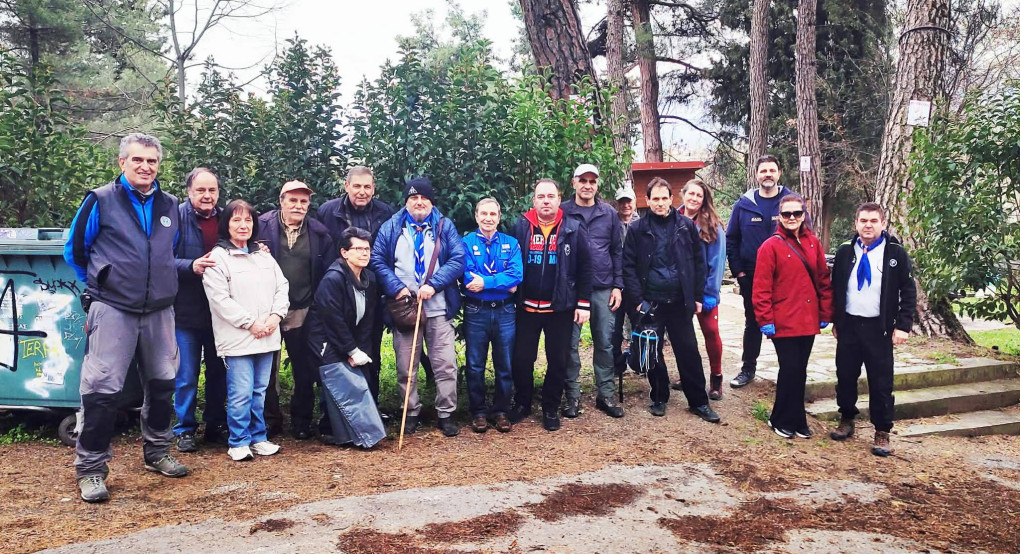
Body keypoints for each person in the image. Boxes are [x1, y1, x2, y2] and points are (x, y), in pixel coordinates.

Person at [65, 133, 188, 502]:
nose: (145, 167)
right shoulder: (100, 200)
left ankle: (157, 452)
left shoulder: (170, 205)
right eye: (138, 160)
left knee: (164, 384)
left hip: (160, 310)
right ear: (122, 163)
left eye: (152, 161)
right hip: (113, 309)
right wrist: (102, 285)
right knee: (101, 391)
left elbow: (170, 252)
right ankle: (90, 469)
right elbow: (75, 250)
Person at [371, 177, 465, 437]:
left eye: (424, 198)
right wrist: (396, 288)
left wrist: (434, 284)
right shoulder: (392, 227)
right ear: (406, 202)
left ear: (432, 202)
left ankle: (446, 413)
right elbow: (377, 259)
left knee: (445, 364)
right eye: (413, 198)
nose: (419, 202)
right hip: (404, 309)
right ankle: (409, 412)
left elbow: (458, 259)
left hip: (438, 306)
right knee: (405, 365)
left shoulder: (444, 226)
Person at [622, 177, 720, 423]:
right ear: (647, 200)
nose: (660, 203)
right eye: (655, 199)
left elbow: (698, 264)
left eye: (664, 198)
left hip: (679, 302)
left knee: (688, 352)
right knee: (652, 351)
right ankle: (659, 396)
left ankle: (698, 401)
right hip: (650, 302)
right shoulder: (637, 229)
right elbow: (628, 267)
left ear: (671, 199)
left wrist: (697, 296)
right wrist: (636, 300)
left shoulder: (686, 226)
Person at [203, 200, 290, 461]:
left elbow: (281, 286)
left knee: (259, 391)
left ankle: (258, 437)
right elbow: (220, 301)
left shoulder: (264, 255)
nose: (243, 225)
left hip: (267, 336)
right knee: (240, 392)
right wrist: (251, 324)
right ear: (226, 224)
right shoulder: (217, 258)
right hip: (239, 338)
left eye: (248, 220)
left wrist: (275, 316)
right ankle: (238, 440)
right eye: (236, 220)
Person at [830, 202, 916, 457]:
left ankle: (882, 430)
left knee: (881, 382)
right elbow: (836, 289)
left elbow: (908, 291)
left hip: (879, 329)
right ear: (856, 224)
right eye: (863, 221)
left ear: (882, 223)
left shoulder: (895, 253)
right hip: (849, 326)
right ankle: (847, 419)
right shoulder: (846, 251)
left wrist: (903, 326)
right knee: (845, 376)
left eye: (873, 221)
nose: (868, 225)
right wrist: (836, 320)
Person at [510, 179, 592, 432]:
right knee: (522, 359)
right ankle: (523, 402)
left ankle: (550, 406)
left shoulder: (573, 228)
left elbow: (586, 268)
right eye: (541, 196)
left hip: (560, 308)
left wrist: (584, 303)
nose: (546, 201)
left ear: (559, 199)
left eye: (551, 196)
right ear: (533, 200)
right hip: (526, 308)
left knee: (558, 360)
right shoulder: (521, 226)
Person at [256, 181, 334, 440]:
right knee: (268, 370)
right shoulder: (261, 226)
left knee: (304, 369)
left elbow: (326, 274)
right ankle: (270, 420)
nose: (298, 206)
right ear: (282, 201)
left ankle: (302, 420)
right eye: (293, 200)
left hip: (302, 309)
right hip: (267, 311)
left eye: (303, 202)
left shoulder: (320, 234)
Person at [752, 195, 833, 439]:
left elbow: (822, 279)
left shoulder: (813, 243)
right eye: (786, 214)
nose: (792, 218)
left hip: (807, 319)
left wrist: (825, 311)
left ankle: (797, 417)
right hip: (783, 320)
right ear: (780, 216)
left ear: (803, 214)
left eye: (796, 214)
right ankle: (780, 418)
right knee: (789, 368)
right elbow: (761, 287)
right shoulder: (770, 246)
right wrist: (765, 319)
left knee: (800, 370)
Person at [315, 166, 394, 403]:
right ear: (346, 186)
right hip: (338, 291)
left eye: (367, 187)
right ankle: (333, 414)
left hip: (372, 291)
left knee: (371, 351)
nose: (362, 191)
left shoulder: (385, 212)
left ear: (374, 188)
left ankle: (370, 408)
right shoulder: (327, 211)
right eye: (357, 186)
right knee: (337, 351)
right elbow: (321, 251)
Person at [726, 155, 804, 389]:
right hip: (751, 276)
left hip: (785, 277)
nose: (767, 174)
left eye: (772, 170)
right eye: (763, 171)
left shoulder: (792, 203)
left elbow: (805, 235)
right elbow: (732, 239)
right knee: (754, 322)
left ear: (779, 173)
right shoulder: (744, 204)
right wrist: (739, 272)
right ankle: (748, 368)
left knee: (786, 323)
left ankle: (789, 372)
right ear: (757, 174)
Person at [561, 164, 625, 418]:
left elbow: (617, 251)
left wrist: (618, 285)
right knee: (570, 344)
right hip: (571, 288)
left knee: (605, 342)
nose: (588, 185)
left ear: (597, 185)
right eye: (583, 180)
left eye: (592, 181)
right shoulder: (563, 211)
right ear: (574, 182)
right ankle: (572, 397)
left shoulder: (608, 213)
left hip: (603, 286)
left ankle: (605, 395)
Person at [305, 227, 380, 444]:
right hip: (326, 339)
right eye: (358, 249)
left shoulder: (370, 278)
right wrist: (351, 350)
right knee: (338, 379)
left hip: (351, 339)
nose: (364, 253)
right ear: (344, 252)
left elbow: (367, 320)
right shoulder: (333, 278)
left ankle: (361, 431)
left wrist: (360, 351)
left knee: (361, 376)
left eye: (367, 249)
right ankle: (330, 429)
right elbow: (333, 320)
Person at [172, 167, 228, 452]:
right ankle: (184, 429)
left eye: (212, 190)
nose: (207, 196)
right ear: (189, 192)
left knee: (220, 372)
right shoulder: (174, 217)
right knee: (186, 374)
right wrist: (189, 266)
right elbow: (159, 260)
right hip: (185, 312)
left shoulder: (225, 219)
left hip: (219, 314)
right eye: (201, 190)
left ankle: (216, 425)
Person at [461, 198, 523, 433]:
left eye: (493, 214)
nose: (488, 218)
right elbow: (466, 278)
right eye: (483, 214)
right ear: (476, 216)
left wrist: (485, 281)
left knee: (504, 364)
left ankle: (500, 410)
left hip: (506, 311)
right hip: (476, 311)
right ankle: (478, 412)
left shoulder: (511, 243)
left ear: (499, 217)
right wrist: (501, 282)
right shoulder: (465, 243)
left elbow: (516, 275)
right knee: (475, 365)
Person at [671, 179, 726, 400]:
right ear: (683, 194)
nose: (694, 198)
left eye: (699, 195)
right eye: (691, 194)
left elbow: (717, 262)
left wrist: (710, 293)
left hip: (703, 291)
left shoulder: (713, 225)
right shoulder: (673, 219)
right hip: (679, 290)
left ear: (704, 200)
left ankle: (716, 376)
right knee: (682, 336)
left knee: (710, 332)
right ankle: (688, 375)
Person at [612, 186, 640, 374]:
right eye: (622, 201)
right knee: (614, 328)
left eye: (629, 201)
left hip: (636, 285)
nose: (626, 205)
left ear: (635, 202)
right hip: (614, 284)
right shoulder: (610, 223)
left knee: (639, 325)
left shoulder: (642, 225)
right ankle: (616, 364)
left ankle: (639, 362)